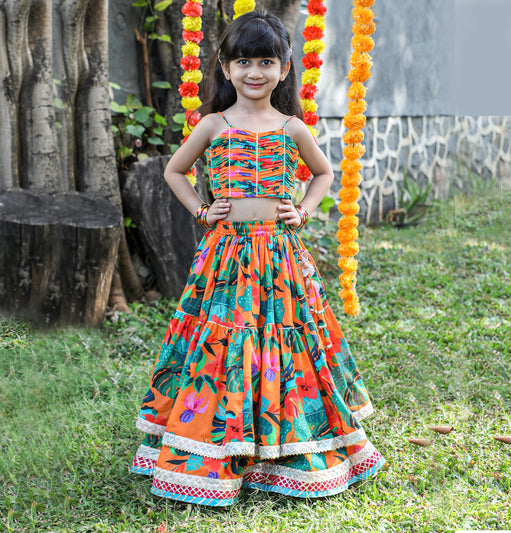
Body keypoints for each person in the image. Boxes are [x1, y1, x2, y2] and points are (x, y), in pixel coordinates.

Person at [130, 10, 385, 506]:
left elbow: (323, 174)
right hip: (226, 258)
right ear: (225, 68)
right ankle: (216, 450)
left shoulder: (292, 127)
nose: (254, 72)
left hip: (280, 259)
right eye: (243, 61)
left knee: (286, 342)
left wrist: (304, 211)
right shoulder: (213, 125)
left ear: (285, 68)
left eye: (266, 61)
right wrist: (203, 210)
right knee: (223, 344)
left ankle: (286, 454)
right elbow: (175, 172)